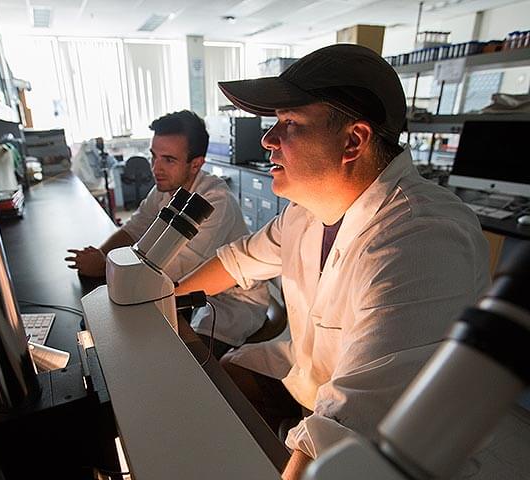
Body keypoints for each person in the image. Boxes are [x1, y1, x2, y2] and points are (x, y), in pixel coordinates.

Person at [175, 44, 490, 480]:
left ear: (353, 140)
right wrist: (164, 302)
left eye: (289, 123)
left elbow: (353, 416)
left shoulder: (421, 239)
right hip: (312, 389)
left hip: (386, 456)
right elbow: (236, 261)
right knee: (228, 374)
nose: (267, 140)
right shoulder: (307, 213)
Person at [65, 110, 269, 356]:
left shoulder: (214, 202)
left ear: (196, 164)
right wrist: (100, 253)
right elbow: (133, 229)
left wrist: (104, 266)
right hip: (186, 291)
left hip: (232, 301)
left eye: (168, 160)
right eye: (154, 156)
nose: (155, 168)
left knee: (188, 362)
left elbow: (170, 270)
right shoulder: (167, 187)